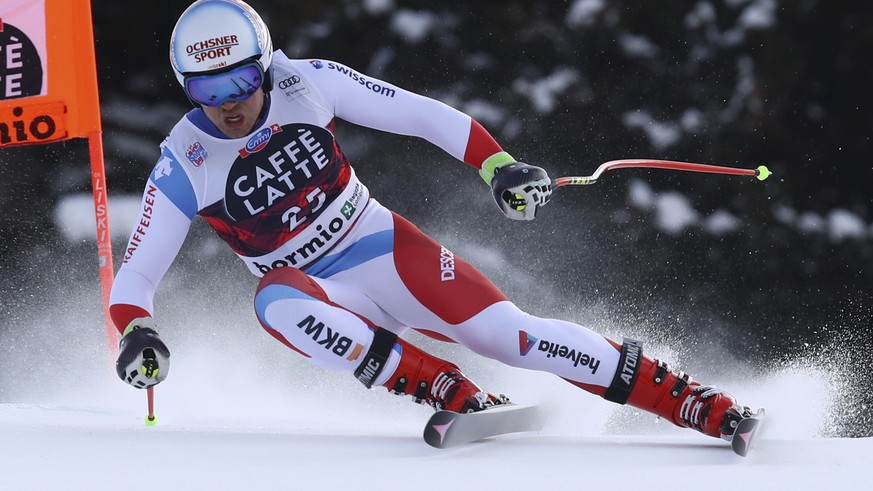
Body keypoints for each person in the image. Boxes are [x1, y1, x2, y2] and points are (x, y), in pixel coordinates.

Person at [111, 0, 753, 442]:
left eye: (243, 80)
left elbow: (422, 115)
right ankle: (447, 390)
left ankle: (697, 403)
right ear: (185, 88)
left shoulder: (306, 83)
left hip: (384, 248)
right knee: (275, 300)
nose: (230, 105)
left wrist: (496, 166)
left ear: (266, 62)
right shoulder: (183, 161)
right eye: (207, 91)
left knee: (513, 339)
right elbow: (134, 276)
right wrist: (138, 334)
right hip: (322, 297)